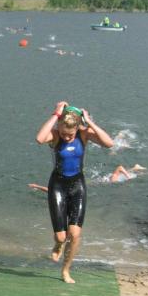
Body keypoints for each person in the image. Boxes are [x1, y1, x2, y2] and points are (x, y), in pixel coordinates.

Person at [36, 101, 114, 283]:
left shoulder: (84, 134)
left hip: (77, 184)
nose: (66, 137)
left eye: (70, 134)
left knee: (75, 234)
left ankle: (65, 270)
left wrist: (89, 122)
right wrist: (56, 115)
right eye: (63, 133)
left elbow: (109, 143)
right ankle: (58, 244)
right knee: (61, 236)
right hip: (57, 184)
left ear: (77, 127)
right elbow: (40, 138)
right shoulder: (55, 136)